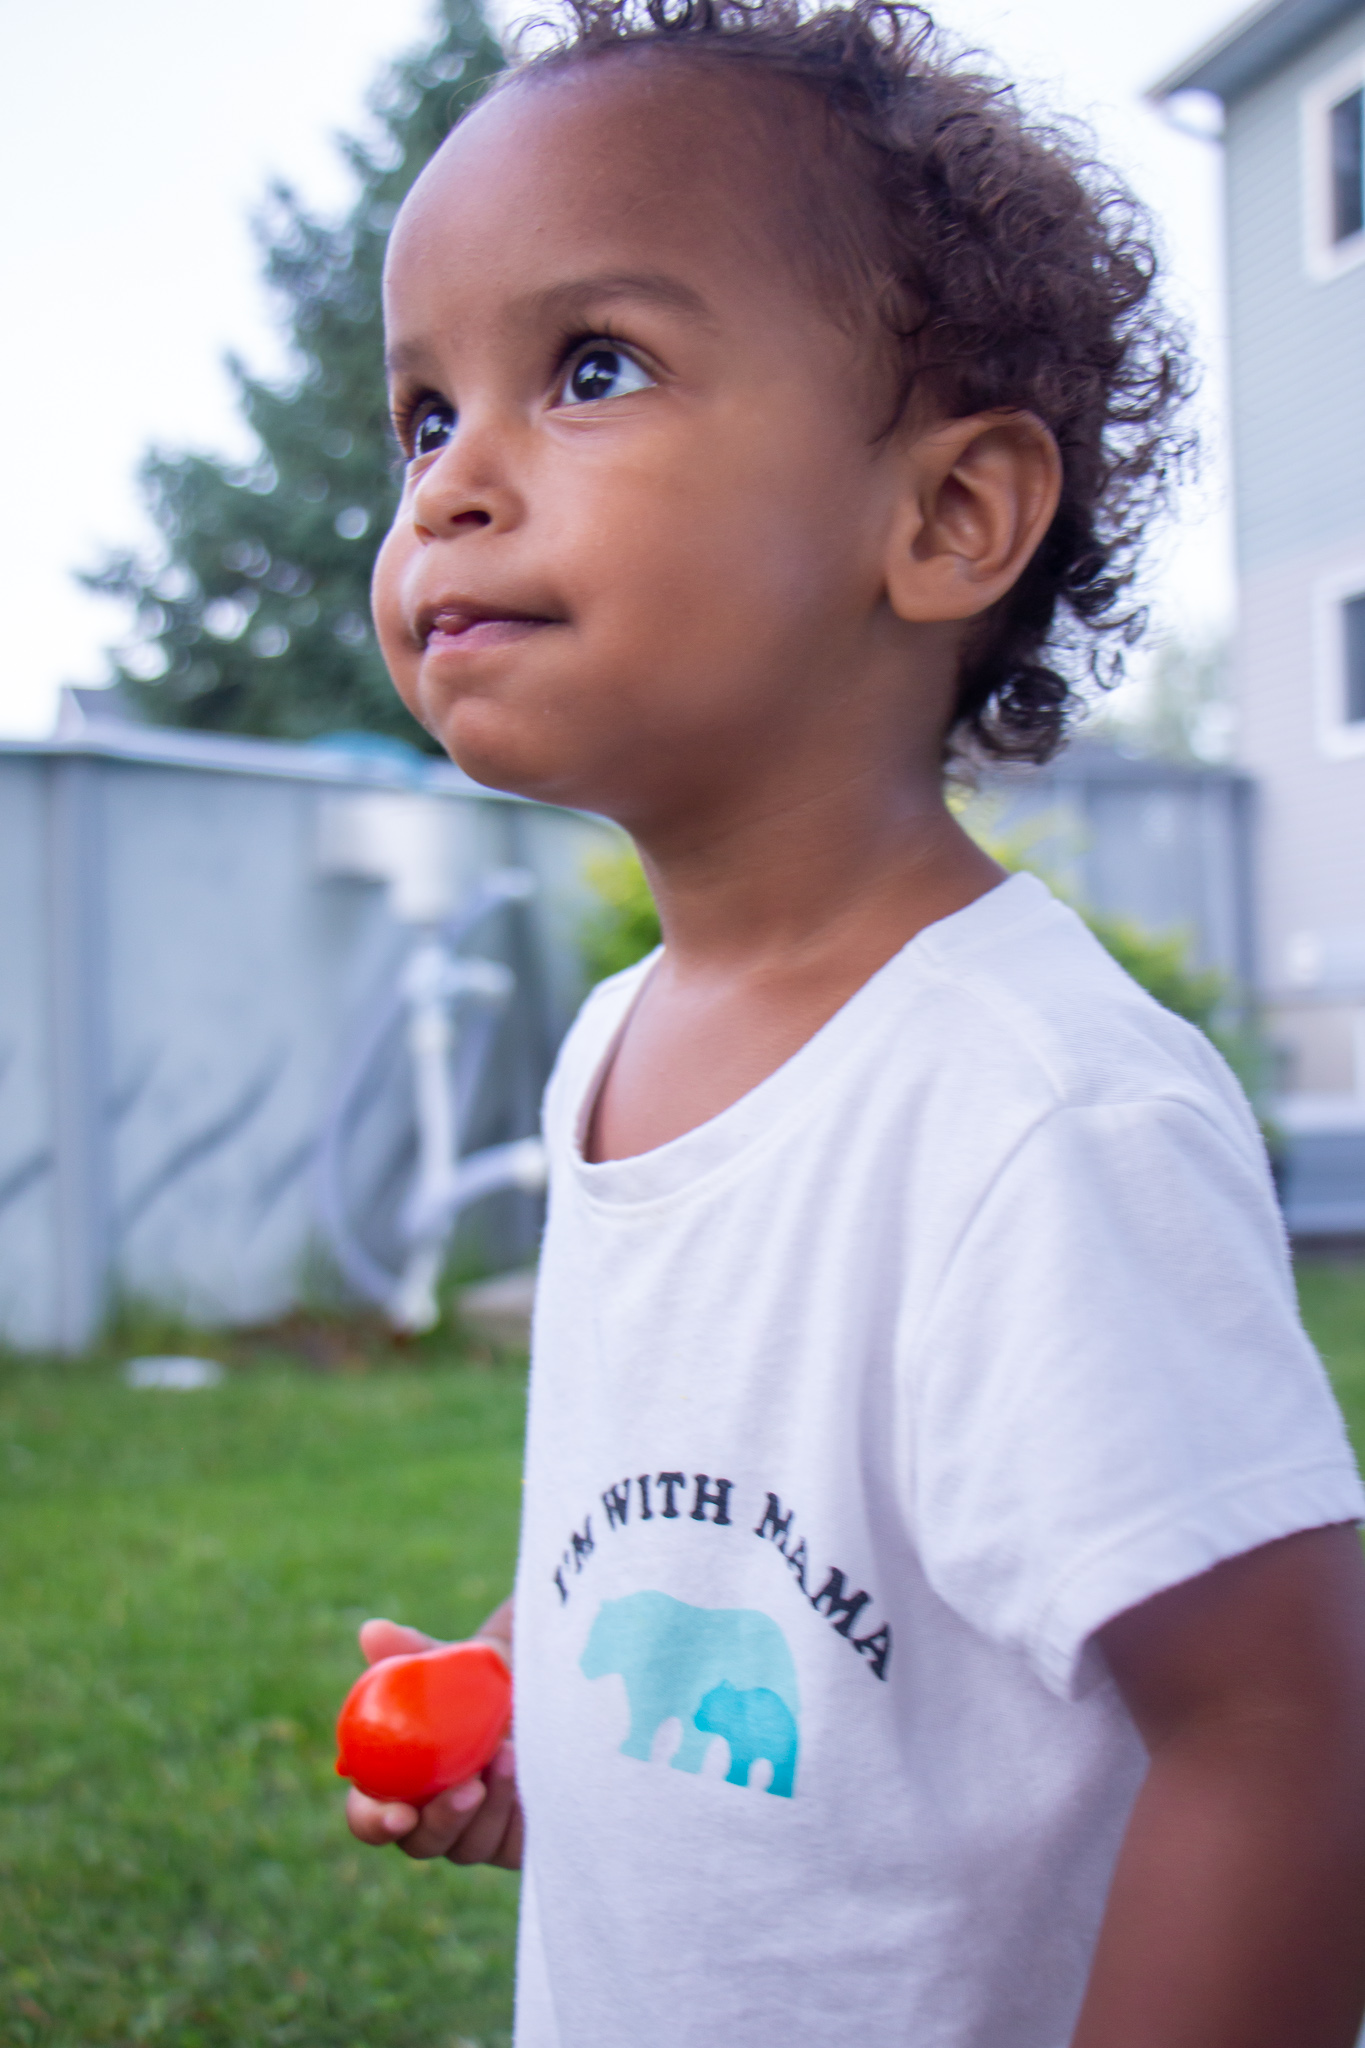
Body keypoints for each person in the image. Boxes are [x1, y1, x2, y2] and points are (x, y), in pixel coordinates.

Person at [345, 2, 1365, 2041]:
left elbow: (1289, 1733)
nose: (452, 480)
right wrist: (563, 1700)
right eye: (423, 412)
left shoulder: (1030, 1114)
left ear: (943, 518)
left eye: (588, 368)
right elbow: (771, 1561)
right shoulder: (613, 1046)